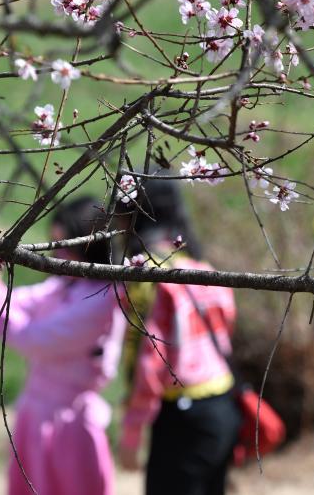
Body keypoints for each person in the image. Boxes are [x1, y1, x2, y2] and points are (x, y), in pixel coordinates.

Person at [0, 197, 125, 495]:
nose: (57, 254)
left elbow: (33, 339)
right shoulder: (68, 284)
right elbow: (18, 302)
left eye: (65, 246)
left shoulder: (102, 300)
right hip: (35, 415)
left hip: (71, 424)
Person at [118, 176, 241, 495]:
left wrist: (132, 434)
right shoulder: (203, 268)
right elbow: (227, 330)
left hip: (182, 416)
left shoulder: (145, 276)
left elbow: (150, 363)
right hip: (223, 406)